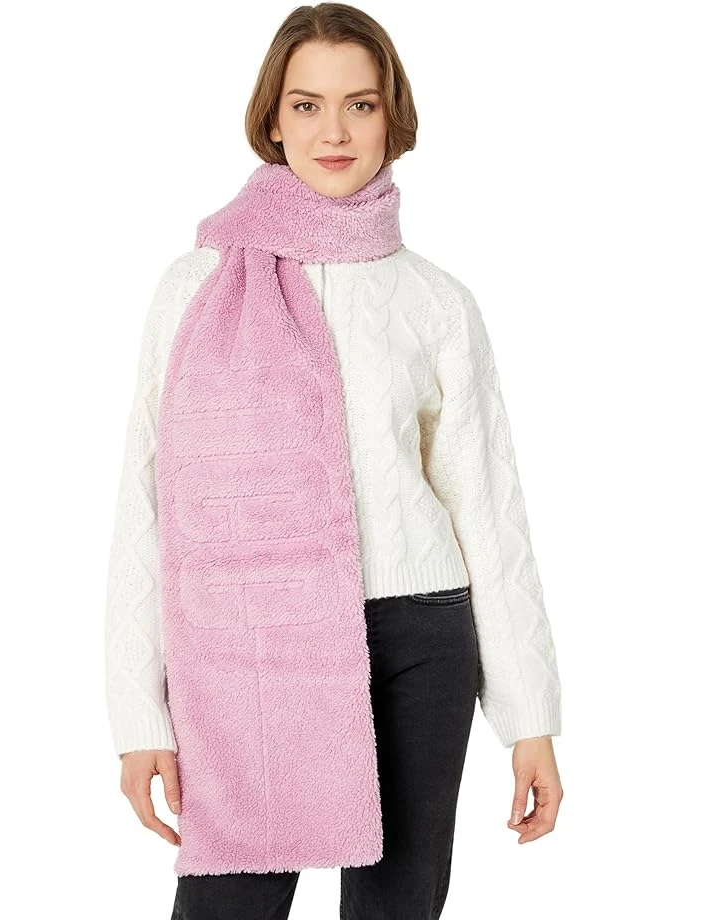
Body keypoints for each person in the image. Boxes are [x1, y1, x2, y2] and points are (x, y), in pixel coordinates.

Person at [104, 4, 564, 918]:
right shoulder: (197, 287)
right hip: (246, 644)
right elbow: (147, 503)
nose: (335, 132)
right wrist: (137, 714)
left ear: (393, 114)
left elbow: (489, 511)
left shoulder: (434, 300)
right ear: (273, 120)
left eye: (360, 104)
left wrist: (532, 720)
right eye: (307, 105)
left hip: (417, 637)